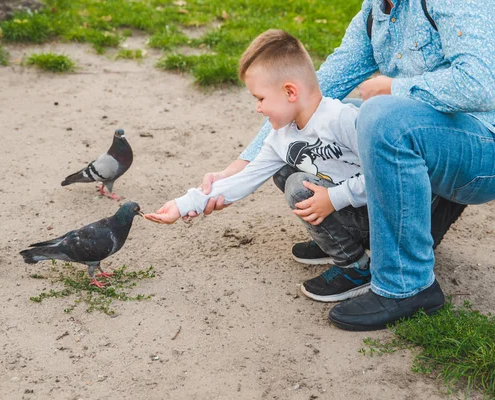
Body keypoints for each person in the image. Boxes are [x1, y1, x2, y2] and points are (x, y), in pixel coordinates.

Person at [188, 0, 495, 331]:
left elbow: (481, 83)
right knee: (308, 125)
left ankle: (407, 284)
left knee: (379, 117)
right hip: (429, 136)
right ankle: (358, 231)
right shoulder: (374, 10)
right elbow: (319, 86)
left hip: (481, 149)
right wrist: (241, 163)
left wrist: (393, 88)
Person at [146, 29, 374, 303]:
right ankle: (337, 238)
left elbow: (384, 174)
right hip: (349, 209)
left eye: (260, 98)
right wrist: (184, 204)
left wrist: (333, 198)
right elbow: (247, 177)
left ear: (290, 91)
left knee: (298, 188)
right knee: (283, 170)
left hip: (381, 217)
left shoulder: (343, 119)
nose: (257, 108)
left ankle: (355, 267)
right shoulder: (281, 136)